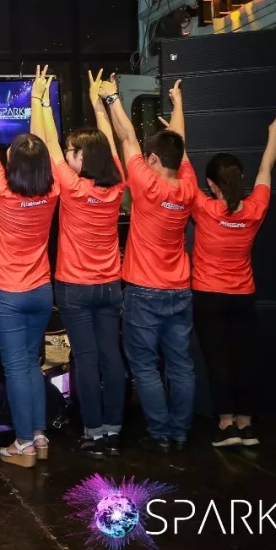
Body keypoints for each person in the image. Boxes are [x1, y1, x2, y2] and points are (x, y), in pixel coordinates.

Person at [32, 70, 126, 460]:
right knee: (111, 358)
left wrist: (40, 100)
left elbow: (49, 141)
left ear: (83, 157)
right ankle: (114, 430)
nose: (67, 154)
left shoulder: (72, 186)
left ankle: (93, 431)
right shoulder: (117, 185)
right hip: (110, 286)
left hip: (74, 287)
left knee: (86, 358)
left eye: (74, 151)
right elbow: (110, 144)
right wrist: (99, 103)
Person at [104, 78, 199, 453]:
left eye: (149, 157)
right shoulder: (188, 186)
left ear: (155, 160)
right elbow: (179, 143)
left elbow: (127, 136)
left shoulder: (147, 184)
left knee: (144, 365)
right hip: (179, 290)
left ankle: (160, 434)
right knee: (181, 365)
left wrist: (112, 97)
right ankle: (181, 432)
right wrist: (178, 103)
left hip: (144, 291)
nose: (143, 160)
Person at [192, 108, 276, 449]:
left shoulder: (204, 208)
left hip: (208, 296)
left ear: (211, 184)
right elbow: (266, 169)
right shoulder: (254, 209)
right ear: (240, 178)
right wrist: (273, 134)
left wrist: (177, 114)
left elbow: (181, 166)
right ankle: (246, 424)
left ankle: (226, 425)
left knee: (218, 360)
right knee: (243, 359)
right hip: (242, 296)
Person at [0, 66, 59, 469]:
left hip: (8, 295)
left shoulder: (2, 191)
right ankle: (39, 436)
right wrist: (39, 98)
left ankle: (24, 444)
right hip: (40, 292)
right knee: (31, 364)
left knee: (16, 367)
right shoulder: (53, 189)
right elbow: (45, 147)